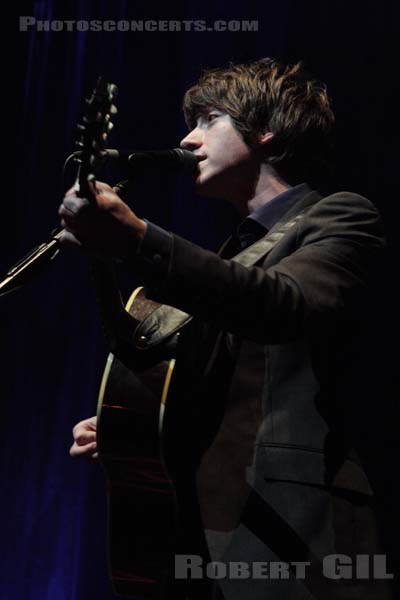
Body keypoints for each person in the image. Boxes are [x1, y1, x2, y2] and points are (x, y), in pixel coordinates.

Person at [61, 59, 397, 599]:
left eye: (208, 120)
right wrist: (138, 428)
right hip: (207, 539)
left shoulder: (341, 217)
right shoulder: (230, 256)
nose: (188, 139)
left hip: (303, 538)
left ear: (266, 130)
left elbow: (283, 307)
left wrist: (139, 239)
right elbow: (228, 394)